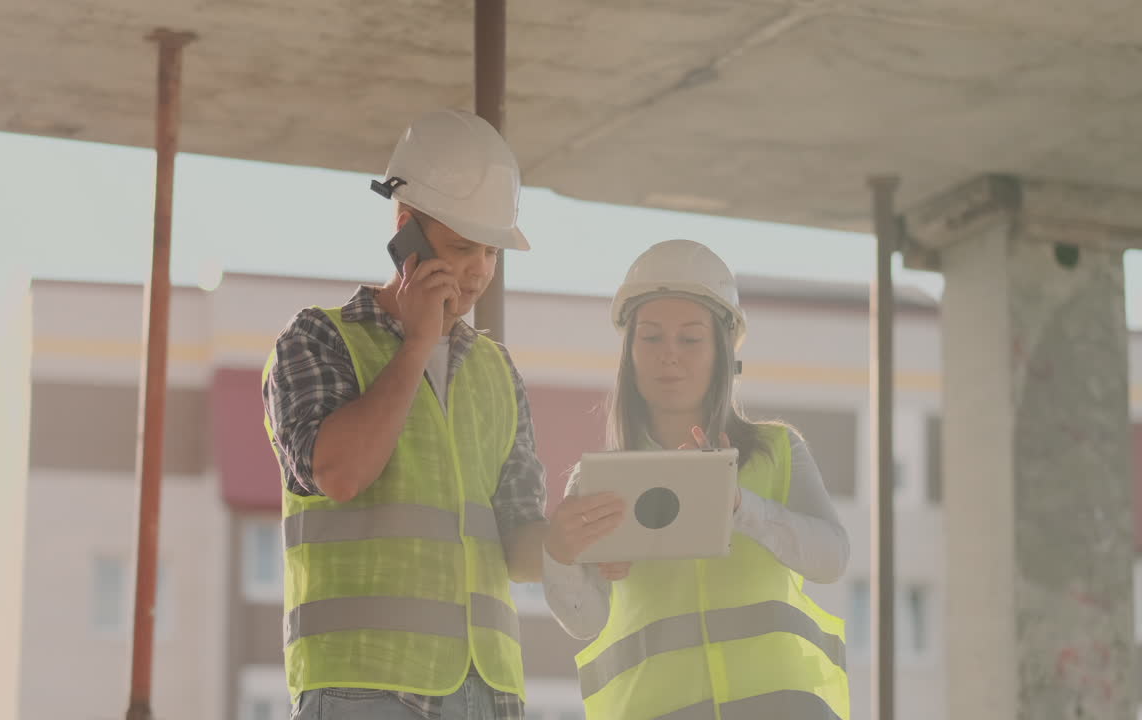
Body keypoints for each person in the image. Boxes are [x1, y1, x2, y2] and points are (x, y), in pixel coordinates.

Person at [261, 109, 548, 720]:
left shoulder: (498, 373)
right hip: (363, 688)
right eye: (461, 246)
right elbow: (338, 472)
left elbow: (520, 543)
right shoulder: (316, 338)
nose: (477, 271)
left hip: (489, 693)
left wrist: (573, 539)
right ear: (405, 229)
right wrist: (418, 342)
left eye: (491, 252)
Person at [542, 239, 852, 720]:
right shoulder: (598, 482)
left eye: (690, 338)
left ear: (722, 352)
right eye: (651, 337)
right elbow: (585, 620)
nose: (670, 355)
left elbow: (833, 558)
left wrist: (739, 507)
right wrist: (559, 554)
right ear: (630, 353)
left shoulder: (778, 451)